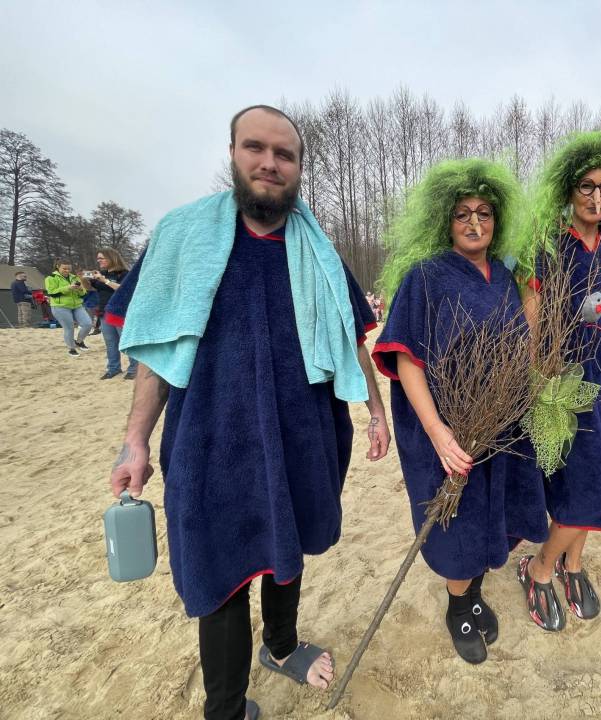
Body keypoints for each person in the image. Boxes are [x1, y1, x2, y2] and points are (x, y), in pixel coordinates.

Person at [106, 105, 390, 720]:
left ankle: (282, 646)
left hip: (303, 433)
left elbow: (352, 338)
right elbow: (156, 350)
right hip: (211, 440)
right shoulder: (182, 237)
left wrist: (375, 410)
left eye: (284, 154)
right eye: (255, 148)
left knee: (288, 545)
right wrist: (136, 441)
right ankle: (227, 708)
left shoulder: (319, 251)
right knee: (221, 571)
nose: (269, 163)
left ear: (299, 168)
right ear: (233, 153)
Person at [371, 158, 547, 664]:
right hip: (447, 429)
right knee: (456, 524)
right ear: (444, 221)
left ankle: (473, 595)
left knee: (492, 516)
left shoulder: (504, 279)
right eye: (462, 214)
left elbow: (521, 346)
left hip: (498, 426)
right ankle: (458, 607)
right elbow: (406, 358)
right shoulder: (426, 277)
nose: (474, 223)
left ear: (497, 219)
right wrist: (438, 432)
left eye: (484, 213)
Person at [510, 130, 601, 631]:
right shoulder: (546, 247)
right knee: (585, 486)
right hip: (567, 389)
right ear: (568, 190)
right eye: (586, 186)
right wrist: (535, 381)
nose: (596, 197)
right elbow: (530, 321)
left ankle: (573, 562)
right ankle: (539, 567)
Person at [89, 248, 139, 379]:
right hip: (104, 312)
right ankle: (113, 369)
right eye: (98, 258)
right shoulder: (101, 274)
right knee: (110, 342)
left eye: (101, 258)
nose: (98, 261)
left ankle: (134, 369)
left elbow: (124, 289)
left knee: (126, 341)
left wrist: (105, 281)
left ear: (111, 258)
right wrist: (82, 278)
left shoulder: (125, 273)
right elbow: (88, 288)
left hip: (120, 311)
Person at [44, 261, 93, 357]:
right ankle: (71, 348)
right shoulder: (51, 278)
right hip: (60, 306)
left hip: (77, 306)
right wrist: (69, 287)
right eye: (64, 268)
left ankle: (79, 342)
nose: (67, 270)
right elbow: (52, 293)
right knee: (69, 328)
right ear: (58, 267)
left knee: (88, 324)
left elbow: (83, 294)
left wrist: (80, 289)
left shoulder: (74, 277)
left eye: (69, 268)